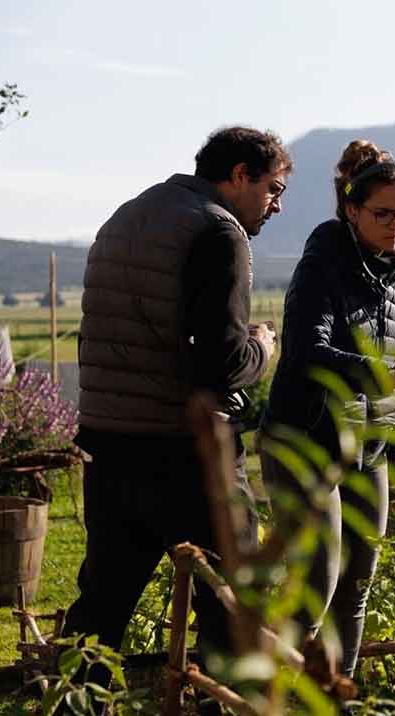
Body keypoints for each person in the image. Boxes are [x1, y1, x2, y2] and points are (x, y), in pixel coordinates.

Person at [64, 128, 291, 679]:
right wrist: (263, 347)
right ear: (239, 174)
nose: (277, 206)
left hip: (110, 440)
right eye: (273, 188)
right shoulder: (217, 230)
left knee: (104, 601)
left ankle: (72, 698)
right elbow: (220, 362)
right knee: (230, 599)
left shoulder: (126, 218)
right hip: (185, 451)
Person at [260, 140, 395, 678]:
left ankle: (335, 697)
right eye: (383, 213)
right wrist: (388, 376)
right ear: (352, 209)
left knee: (356, 584)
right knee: (315, 583)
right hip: (307, 438)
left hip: (370, 445)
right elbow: (308, 353)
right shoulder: (324, 259)